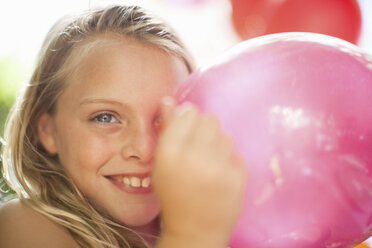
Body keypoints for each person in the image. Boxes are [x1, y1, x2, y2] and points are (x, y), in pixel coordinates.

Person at [0, 5, 246, 248]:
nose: (145, 149)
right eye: (105, 117)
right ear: (48, 130)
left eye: (165, 119)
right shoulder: (21, 225)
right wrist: (192, 235)